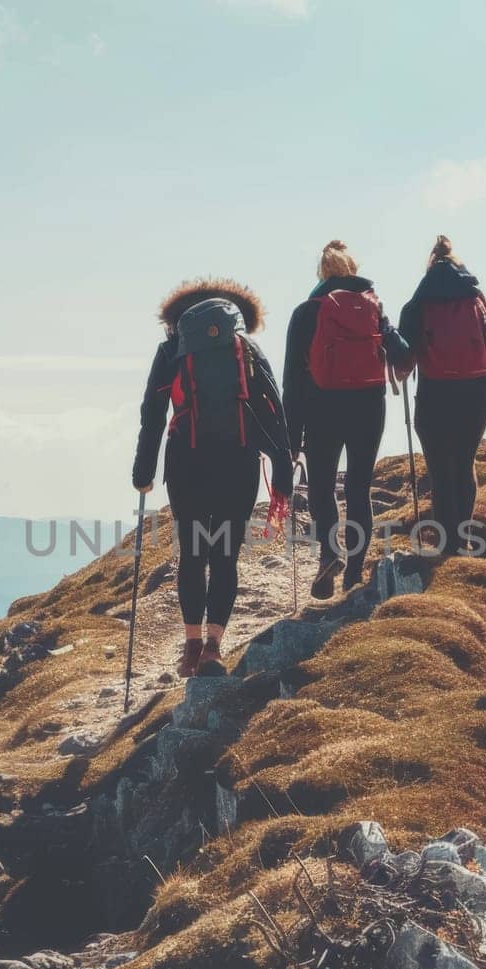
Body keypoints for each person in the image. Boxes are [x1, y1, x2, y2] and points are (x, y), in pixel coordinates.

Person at [133, 279, 294, 678]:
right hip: (237, 462)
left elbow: (153, 412)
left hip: (186, 463)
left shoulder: (172, 349)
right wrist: (283, 470)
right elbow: (273, 405)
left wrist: (143, 472)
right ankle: (213, 648)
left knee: (192, 553)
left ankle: (189, 645)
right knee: (225, 554)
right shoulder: (245, 348)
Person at [282, 240, 412, 597]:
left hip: (322, 407)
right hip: (369, 406)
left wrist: (291, 441)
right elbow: (402, 352)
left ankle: (329, 554)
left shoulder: (306, 312)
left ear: (322, 273)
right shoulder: (373, 308)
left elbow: (292, 382)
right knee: (359, 486)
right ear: (352, 270)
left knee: (322, 486)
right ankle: (354, 572)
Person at [398, 235, 486, 554]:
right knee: (463, 463)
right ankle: (463, 540)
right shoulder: (481, 301)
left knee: (441, 471)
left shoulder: (417, 305)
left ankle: (447, 546)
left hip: (434, 394)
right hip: (477, 394)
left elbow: (403, 356)